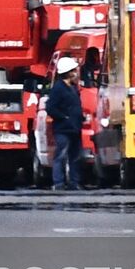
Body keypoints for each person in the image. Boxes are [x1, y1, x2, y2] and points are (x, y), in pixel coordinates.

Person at [46, 56, 85, 191]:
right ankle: (59, 183)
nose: (76, 73)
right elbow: (51, 108)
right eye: (74, 70)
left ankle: (75, 182)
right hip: (63, 129)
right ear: (68, 72)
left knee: (75, 157)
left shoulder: (73, 88)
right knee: (61, 156)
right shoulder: (58, 88)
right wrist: (64, 117)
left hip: (75, 128)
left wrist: (80, 118)